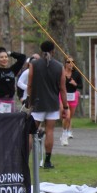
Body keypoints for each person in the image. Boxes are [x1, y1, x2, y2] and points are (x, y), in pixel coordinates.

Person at [27, 40, 69, 169]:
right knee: (49, 131)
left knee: (30, 131)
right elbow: (62, 88)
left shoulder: (34, 64)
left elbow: (30, 84)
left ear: (41, 50)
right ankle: (47, 160)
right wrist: (65, 106)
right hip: (52, 103)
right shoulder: (59, 66)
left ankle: (25, 159)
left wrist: (29, 99)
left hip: (37, 103)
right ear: (53, 51)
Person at [60, 57, 82, 145]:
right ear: (65, 63)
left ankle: (68, 131)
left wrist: (74, 84)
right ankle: (64, 134)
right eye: (68, 62)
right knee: (67, 116)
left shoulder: (76, 73)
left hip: (72, 96)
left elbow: (80, 86)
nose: (70, 63)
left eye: (72, 62)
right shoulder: (61, 73)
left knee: (70, 117)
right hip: (63, 96)